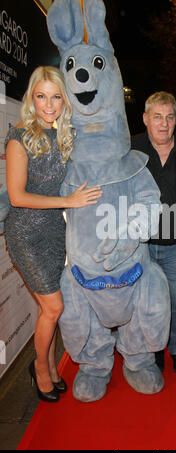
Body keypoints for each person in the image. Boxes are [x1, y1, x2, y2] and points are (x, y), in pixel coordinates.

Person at [4, 66, 102, 402]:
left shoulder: (64, 135)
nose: (49, 104)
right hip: (26, 233)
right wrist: (68, 201)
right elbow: (17, 196)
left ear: (64, 100)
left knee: (51, 309)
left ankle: (51, 367)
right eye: (42, 96)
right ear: (32, 97)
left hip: (55, 230)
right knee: (53, 308)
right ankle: (41, 368)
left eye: (56, 96)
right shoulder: (19, 137)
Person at [131, 91, 176, 376]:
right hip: (141, 244)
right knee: (144, 301)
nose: (164, 123)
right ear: (146, 118)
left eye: (169, 117)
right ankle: (153, 349)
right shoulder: (131, 147)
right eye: (157, 117)